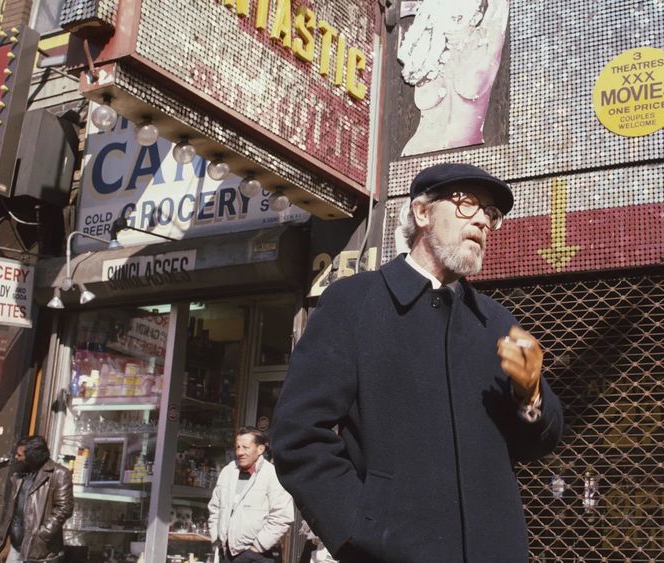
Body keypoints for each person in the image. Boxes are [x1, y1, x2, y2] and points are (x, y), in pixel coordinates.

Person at [271, 162, 564, 563]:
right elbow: (298, 436)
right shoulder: (354, 303)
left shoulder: (496, 323)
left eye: (490, 213)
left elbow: (540, 444)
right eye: (466, 204)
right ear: (422, 213)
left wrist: (530, 395)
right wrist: (360, 532)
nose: (482, 220)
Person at [396, 0, 508, 155]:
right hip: (415, 159)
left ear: (477, 15)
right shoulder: (425, 53)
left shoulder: (487, 42)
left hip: (468, 161)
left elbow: (499, 7)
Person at [208, 427, 294, 563]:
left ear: (260, 449)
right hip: (227, 554)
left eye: (245, 447)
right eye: (237, 447)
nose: (240, 452)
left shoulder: (271, 474)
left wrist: (256, 548)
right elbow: (215, 508)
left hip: (258, 556)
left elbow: (282, 516)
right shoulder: (228, 472)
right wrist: (216, 539)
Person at [2, 436, 73, 563]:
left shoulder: (59, 474)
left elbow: (64, 508)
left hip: (38, 549)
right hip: (16, 545)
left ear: (32, 457)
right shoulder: (20, 473)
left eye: (20, 455)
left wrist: (43, 534)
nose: (16, 458)